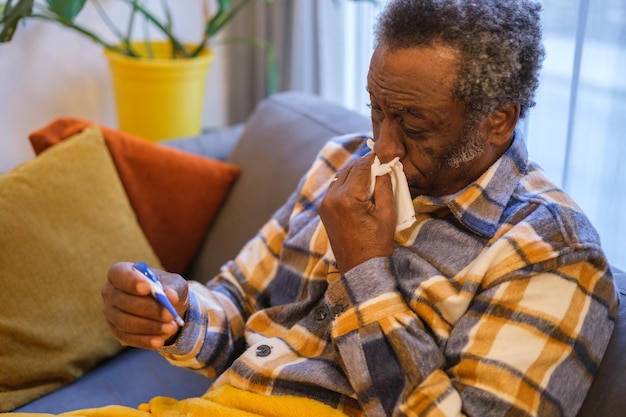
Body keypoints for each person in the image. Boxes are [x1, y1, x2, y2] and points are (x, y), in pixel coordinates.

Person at [101, 0, 618, 416]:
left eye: (414, 124)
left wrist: (365, 272)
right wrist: (176, 312)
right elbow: (237, 304)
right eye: (377, 108)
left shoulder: (551, 253)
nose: (383, 147)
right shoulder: (340, 161)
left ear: (497, 121)